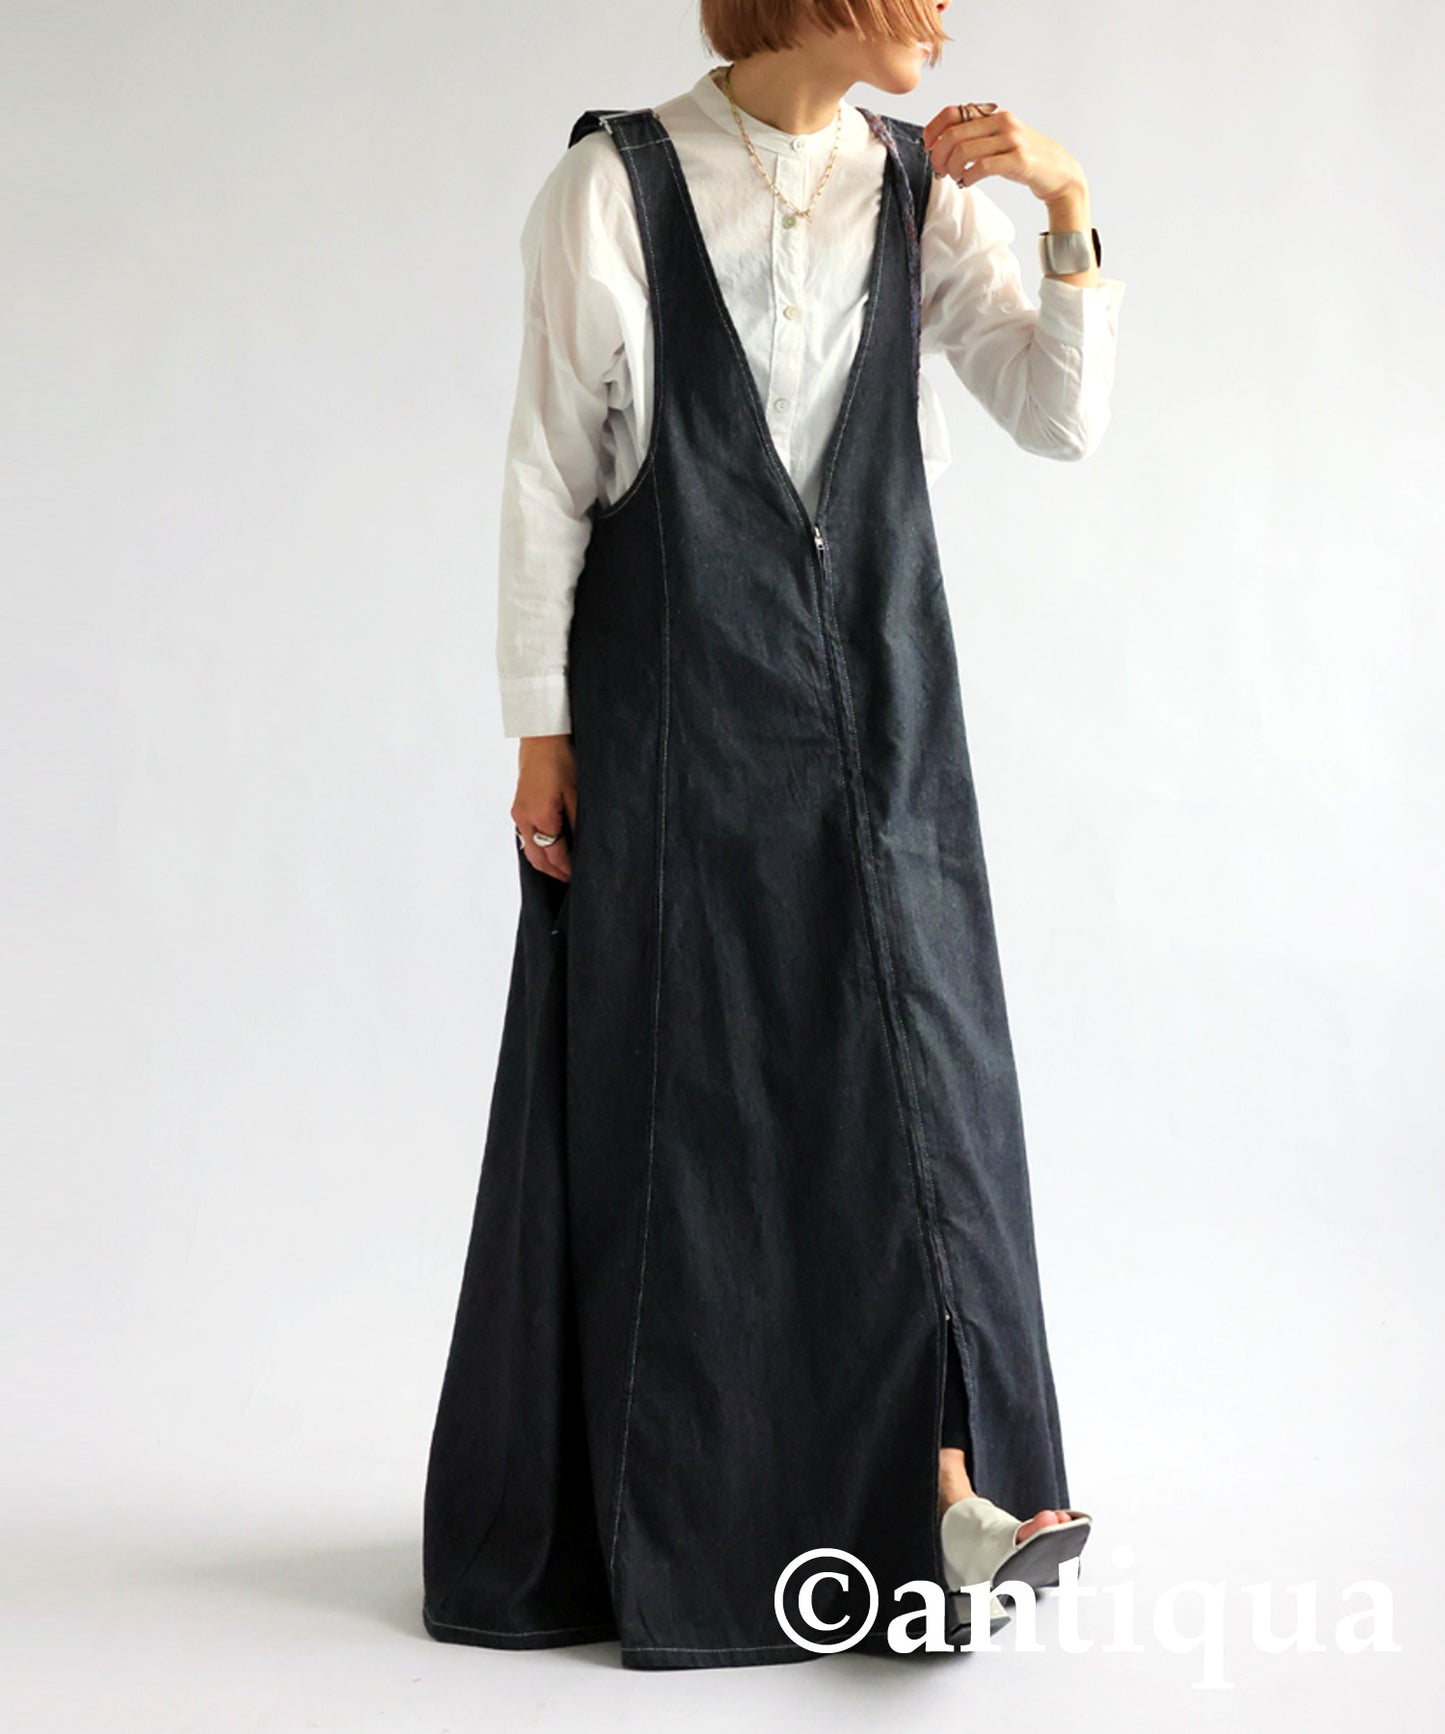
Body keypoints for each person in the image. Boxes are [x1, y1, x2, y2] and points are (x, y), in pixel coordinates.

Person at [423, 0, 1127, 1669]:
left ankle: (948, 1488)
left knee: (920, 1071)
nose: (943, 13)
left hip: (883, 684)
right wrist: (539, 729)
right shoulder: (615, 187)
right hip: (677, 688)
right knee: (713, 1087)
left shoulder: (919, 193)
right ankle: (725, 1512)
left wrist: (1065, 205)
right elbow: (548, 471)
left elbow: (1058, 418)